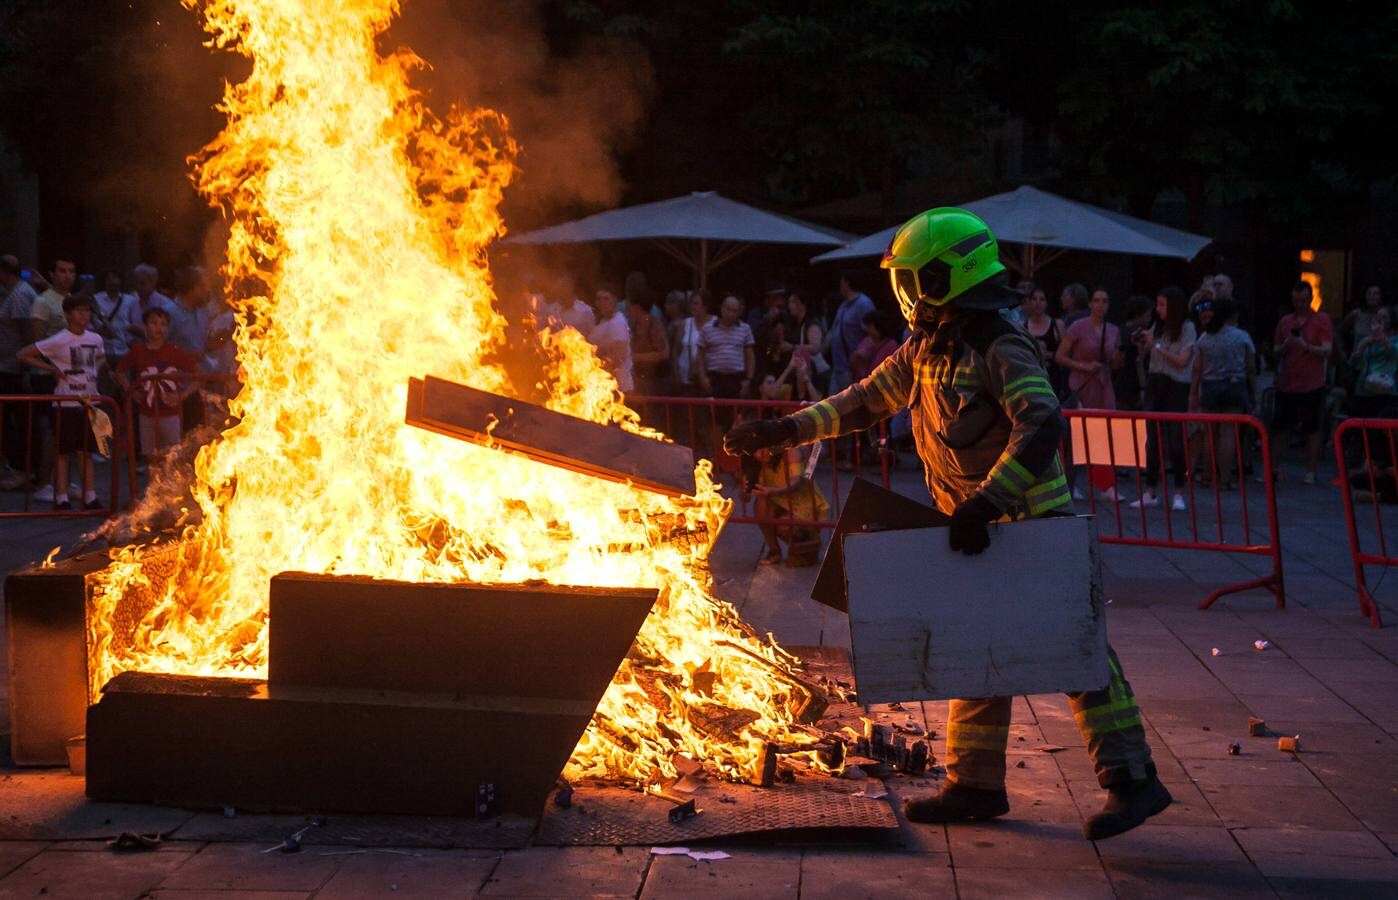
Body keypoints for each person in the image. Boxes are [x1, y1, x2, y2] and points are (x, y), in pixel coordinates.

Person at [724, 207, 1168, 839]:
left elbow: (1042, 424)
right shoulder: (929, 345)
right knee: (975, 649)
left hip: (1030, 523)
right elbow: (863, 402)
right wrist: (782, 430)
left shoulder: (1000, 344)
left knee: (1076, 655)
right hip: (975, 522)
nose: (903, 293)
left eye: (912, 278)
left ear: (944, 278)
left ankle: (1134, 782)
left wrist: (987, 504)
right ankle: (975, 787)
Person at [16, 294, 107, 509]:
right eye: (78, 310)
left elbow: (101, 356)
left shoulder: (95, 339)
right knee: (63, 451)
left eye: (86, 311)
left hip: (90, 400)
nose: (83, 315)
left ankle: (90, 495)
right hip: (66, 402)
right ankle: (61, 496)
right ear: (67, 314)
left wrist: (94, 370)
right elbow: (24, 354)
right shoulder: (59, 340)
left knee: (87, 450)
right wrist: (52, 369)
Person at [745, 380, 829, 567]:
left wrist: (772, 492)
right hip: (780, 503)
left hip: (803, 504)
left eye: (762, 450)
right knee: (760, 504)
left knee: (783, 523)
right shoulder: (755, 461)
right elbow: (745, 498)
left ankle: (804, 544)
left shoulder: (790, 451)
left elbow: (797, 482)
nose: (759, 455)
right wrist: (745, 489)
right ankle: (774, 551)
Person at [1132, 287, 1196, 510]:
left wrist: (1156, 346)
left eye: (1162, 304)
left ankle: (1178, 492)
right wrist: (1143, 345)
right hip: (1155, 383)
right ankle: (1150, 491)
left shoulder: (1187, 328)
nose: (1158, 309)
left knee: (1176, 440)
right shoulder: (1156, 326)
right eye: (1157, 304)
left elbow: (1182, 361)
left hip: (1176, 385)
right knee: (1152, 439)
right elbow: (1147, 355)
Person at [1056, 287, 1123, 499]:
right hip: (1081, 385)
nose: (1100, 304)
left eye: (1104, 300)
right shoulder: (1078, 327)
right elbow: (1060, 356)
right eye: (1096, 300)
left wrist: (1120, 355)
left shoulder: (1113, 330)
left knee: (1104, 435)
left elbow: (1115, 363)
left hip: (1104, 387)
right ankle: (1070, 484)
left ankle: (1105, 485)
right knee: (1075, 438)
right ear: (1090, 304)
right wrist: (1084, 366)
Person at [116, 307, 201, 460]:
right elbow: (120, 372)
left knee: (171, 456)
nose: (159, 328)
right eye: (154, 323)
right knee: (151, 457)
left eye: (163, 324)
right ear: (145, 327)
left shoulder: (174, 351)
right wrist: (131, 391)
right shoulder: (138, 351)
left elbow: (198, 374)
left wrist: (183, 395)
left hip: (171, 414)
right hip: (146, 414)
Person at [1271, 281, 1332, 484]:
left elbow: (1326, 350)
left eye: (1304, 300)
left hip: (1312, 383)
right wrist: (1287, 345)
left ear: (1311, 299)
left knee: (1312, 428)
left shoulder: (1321, 320)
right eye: (1296, 301)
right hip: (1287, 382)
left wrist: (1305, 346)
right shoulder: (1285, 322)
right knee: (1280, 426)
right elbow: (1275, 350)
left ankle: (1311, 471)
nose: (1300, 304)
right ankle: (1273, 468)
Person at [1192, 298, 1256, 488]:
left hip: (1210, 385)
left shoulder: (1205, 338)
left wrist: (1194, 392)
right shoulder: (1242, 336)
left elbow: (1197, 368)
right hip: (1234, 385)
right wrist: (1253, 392)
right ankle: (1225, 478)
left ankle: (1207, 474)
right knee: (1228, 433)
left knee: (1210, 434)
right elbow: (1250, 367)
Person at [0, 255, 40, 488]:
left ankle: (23, 469)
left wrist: (26, 368)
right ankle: (16, 467)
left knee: (17, 421)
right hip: (7, 367)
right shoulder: (11, 294)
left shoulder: (20, 295)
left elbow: (27, 334)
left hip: (15, 369)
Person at [825, 271, 876, 395]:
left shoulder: (864, 304)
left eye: (841, 282)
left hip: (853, 368)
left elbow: (873, 334)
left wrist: (862, 354)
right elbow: (834, 331)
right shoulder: (843, 306)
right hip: (838, 367)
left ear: (846, 283)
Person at [697, 294, 755, 400]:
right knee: (713, 414)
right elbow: (700, 356)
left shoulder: (745, 329)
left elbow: (750, 356)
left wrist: (748, 379)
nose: (731, 314)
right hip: (715, 378)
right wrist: (703, 378)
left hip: (736, 378)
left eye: (734, 311)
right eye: (728, 309)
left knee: (735, 414)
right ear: (722, 308)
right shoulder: (707, 328)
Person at [1348, 306, 1398, 419]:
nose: (1381, 320)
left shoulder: (1396, 340)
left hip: (1388, 391)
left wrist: (1382, 338)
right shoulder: (1366, 340)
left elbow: (1394, 355)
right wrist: (1362, 348)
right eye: (1378, 317)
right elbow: (1353, 364)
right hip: (1365, 390)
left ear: (1391, 321)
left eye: (1385, 317)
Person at [1020, 283, 1067, 400]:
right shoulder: (1022, 327)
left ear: (1046, 303)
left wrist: (1050, 355)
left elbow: (1066, 355)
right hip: (1031, 381)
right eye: (1034, 299)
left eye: (1042, 299)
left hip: (1054, 380)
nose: (1038, 303)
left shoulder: (1057, 325)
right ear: (1029, 302)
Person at [91, 269, 141, 374]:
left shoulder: (131, 300)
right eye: (109, 278)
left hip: (124, 350)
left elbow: (135, 325)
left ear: (120, 281)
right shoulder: (96, 299)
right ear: (104, 281)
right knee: (104, 385)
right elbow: (94, 325)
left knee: (125, 384)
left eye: (115, 278)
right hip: (103, 351)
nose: (112, 281)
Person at [587, 284, 634, 393]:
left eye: (606, 299)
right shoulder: (601, 322)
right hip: (603, 385)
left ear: (615, 300)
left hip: (618, 387)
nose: (602, 303)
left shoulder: (618, 322)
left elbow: (619, 356)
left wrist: (592, 365)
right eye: (599, 299)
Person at [672, 289, 714, 397]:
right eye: (691, 303)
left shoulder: (715, 323)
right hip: (686, 378)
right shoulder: (685, 324)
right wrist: (676, 374)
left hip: (707, 378)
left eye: (696, 303)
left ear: (705, 306)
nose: (692, 306)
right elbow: (676, 350)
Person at [626, 292, 669, 396]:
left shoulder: (654, 326)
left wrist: (636, 357)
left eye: (629, 306)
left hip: (655, 382)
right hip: (640, 381)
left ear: (637, 307)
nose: (627, 309)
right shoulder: (635, 326)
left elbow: (664, 354)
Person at [1115, 295, 1153, 412]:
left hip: (1118, 384)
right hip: (1136, 385)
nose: (1150, 318)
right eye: (1148, 314)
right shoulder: (1141, 334)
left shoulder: (1117, 331)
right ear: (1139, 314)